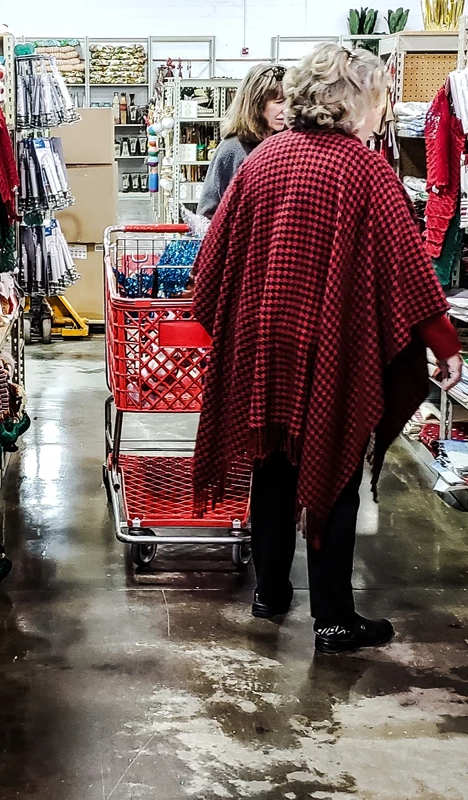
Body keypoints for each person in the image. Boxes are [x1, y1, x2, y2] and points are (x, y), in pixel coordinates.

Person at [191, 44, 463, 654]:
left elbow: (211, 261)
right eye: (379, 97)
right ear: (355, 100)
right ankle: (335, 619)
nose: (383, 110)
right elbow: (409, 272)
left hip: (265, 342)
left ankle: (270, 595)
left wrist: (240, 326)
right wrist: (444, 344)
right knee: (333, 471)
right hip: (331, 347)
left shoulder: (262, 160)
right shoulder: (364, 170)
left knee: (273, 464)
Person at [196, 64, 287, 218]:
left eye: (289, 101)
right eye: (278, 102)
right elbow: (207, 214)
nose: (286, 109)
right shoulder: (233, 149)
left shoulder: (289, 145)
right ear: (256, 104)